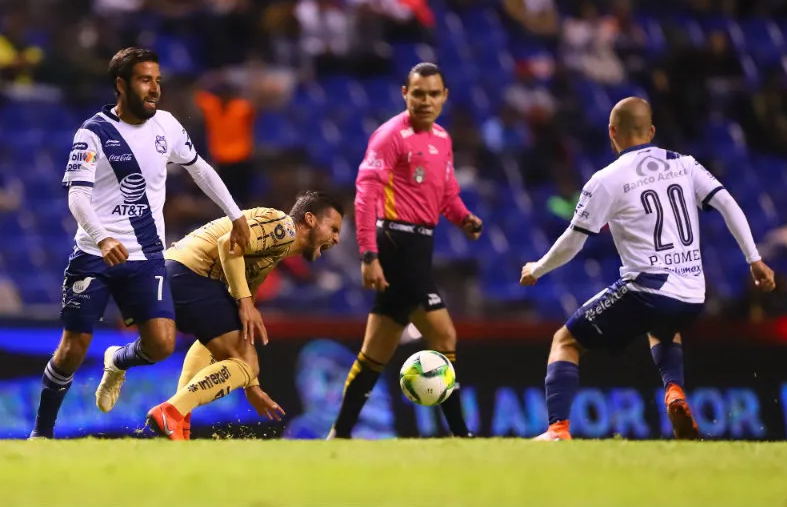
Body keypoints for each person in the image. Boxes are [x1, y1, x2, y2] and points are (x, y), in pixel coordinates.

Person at [520, 97, 776, 441]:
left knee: (565, 341)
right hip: (693, 293)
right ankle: (674, 390)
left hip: (648, 288)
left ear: (612, 132)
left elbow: (573, 240)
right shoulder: (684, 164)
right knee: (664, 326)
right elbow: (727, 204)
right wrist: (754, 259)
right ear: (651, 131)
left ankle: (557, 430)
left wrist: (537, 268)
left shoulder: (606, 180)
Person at [30, 47, 251, 439]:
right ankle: (42, 434)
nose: (154, 89)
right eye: (145, 80)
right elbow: (77, 197)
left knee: (163, 345)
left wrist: (235, 215)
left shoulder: (166, 125)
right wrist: (102, 237)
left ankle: (118, 360)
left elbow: (199, 168)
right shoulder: (92, 133)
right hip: (94, 255)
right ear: (121, 84)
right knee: (73, 347)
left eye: (157, 81)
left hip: (147, 257)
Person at [327, 62, 483, 439]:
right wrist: (369, 255)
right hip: (395, 244)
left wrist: (462, 218)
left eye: (433, 94)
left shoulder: (443, 139)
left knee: (375, 352)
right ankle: (461, 434)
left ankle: (340, 433)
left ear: (444, 96)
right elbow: (365, 198)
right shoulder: (389, 136)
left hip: (420, 245)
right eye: (418, 93)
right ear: (405, 94)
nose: (426, 101)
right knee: (444, 336)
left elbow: (446, 193)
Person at [146, 191, 344, 440]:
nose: (336, 238)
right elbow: (229, 243)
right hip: (190, 274)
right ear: (311, 220)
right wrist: (247, 303)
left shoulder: (272, 254)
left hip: (173, 273)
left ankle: (179, 419)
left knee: (221, 348)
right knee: (245, 361)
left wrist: (251, 385)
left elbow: (239, 317)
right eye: (333, 228)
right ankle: (172, 412)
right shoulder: (283, 227)